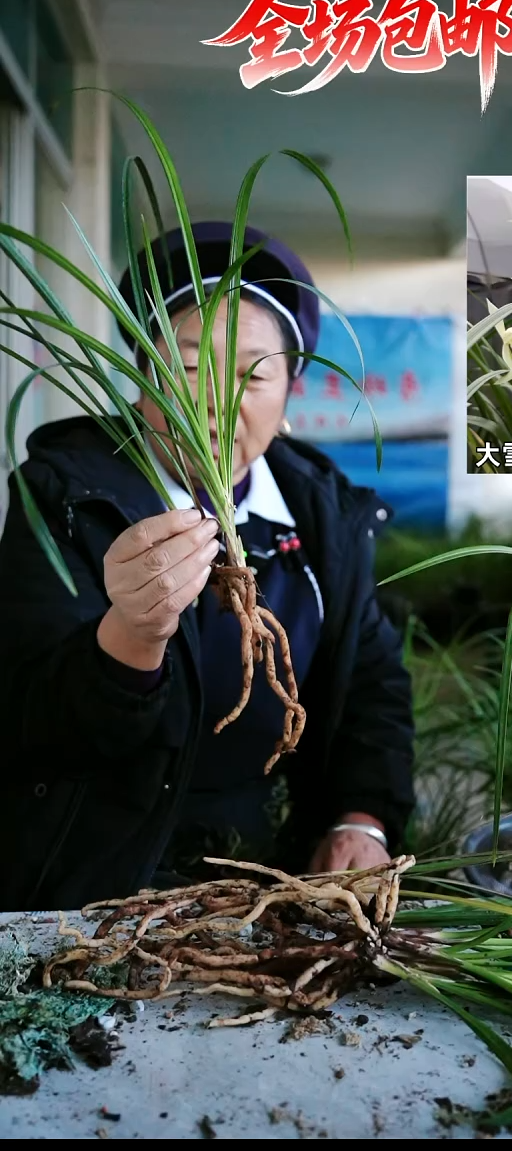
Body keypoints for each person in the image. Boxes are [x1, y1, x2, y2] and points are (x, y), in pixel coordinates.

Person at [0, 222, 415, 910]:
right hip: (99, 887)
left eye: (255, 373)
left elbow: (371, 687)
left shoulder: (322, 516)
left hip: (275, 875)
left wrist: (361, 819)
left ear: (289, 393)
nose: (216, 401)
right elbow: (29, 721)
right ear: (142, 378)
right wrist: (132, 635)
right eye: (189, 369)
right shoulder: (66, 499)